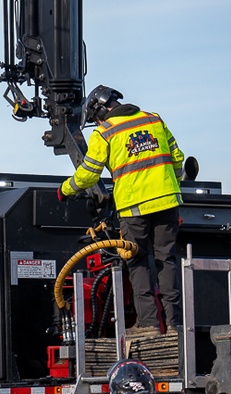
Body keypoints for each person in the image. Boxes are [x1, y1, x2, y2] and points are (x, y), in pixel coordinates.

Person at [59, 85, 185, 335]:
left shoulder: (105, 132)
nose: (96, 121)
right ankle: (175, 324)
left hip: (134, 207)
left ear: (100, 110)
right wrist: (171, 186)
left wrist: (65, 190)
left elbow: (88, 173)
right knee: (167, 260)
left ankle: (149, 323)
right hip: (168, 203)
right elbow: (177, 158)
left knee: (137, 262)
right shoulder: (153, 120)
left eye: (95, 117)